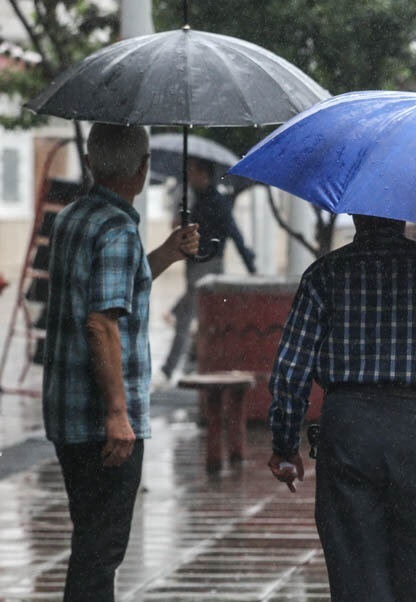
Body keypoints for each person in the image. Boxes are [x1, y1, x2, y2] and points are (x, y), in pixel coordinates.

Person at [266, 214, 416, 602]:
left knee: (354, 563)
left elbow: (292, 369)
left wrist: (285, 445)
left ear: (354, 213)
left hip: (349, 426)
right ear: (402, 214)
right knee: (404, 563)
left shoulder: (326, 273)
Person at [41, 123, 199, 600]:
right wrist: (117, 414)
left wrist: (168, 253)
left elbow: (114, 286)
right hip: (100, 420)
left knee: (89, 539)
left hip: (67, 411)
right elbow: (101, 322)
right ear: (144, 167)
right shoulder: (117, 228)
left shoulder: (72, 217)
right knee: (100, 549)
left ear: (90, 162)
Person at [160, 157, 255, 381]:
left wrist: (251, 266)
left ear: (204, 174)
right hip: (195, 265)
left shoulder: (216, 201)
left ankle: (169, 369)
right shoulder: (197, 200)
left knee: (186, 318)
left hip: (208, 266)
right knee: (197, 317)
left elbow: (235, 233)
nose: (189, 176)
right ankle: (191, 365)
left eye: (192, 172)